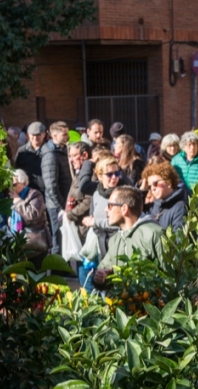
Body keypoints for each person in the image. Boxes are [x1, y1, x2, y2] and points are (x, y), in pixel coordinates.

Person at [92, 187, 164, 287]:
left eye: (110, 205)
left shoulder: (153, 233)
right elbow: (103, 271)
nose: (105, 210)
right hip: (123, 301)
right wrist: (100, 278)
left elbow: (171, 274)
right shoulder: (115, 240)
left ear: (124, 209)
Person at [65, 141, 97, 291]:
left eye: (73, 156)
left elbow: (88, 201)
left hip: (86, 229)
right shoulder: (79, 174)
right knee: (81, 273)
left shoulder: (92, 174)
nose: (71, 160)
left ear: (84, 155)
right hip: (78, 230)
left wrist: (71, 214)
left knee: (87, 274)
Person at [40, 121, 73, 255]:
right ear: (54, 135)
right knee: (57, 239)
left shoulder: (61, 150)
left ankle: (63, 267)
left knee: (63, 237)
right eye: (64, 135)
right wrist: (61, 207)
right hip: (56, 206)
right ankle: (56, 270)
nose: (68, 137)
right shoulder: (50, 155)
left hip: (63, 202)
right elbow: (51, 185)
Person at [8, 169, 50, 266]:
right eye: (9, 185)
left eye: (14, 185)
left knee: (36, 275)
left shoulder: (34, 194)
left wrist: (18, 202)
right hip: (20, 245)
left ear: (24, 183)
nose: (11, 188)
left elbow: (33, 214)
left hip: (35, 244)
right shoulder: (12, 197)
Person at [143, 162, 189, 231]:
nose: (153, 188)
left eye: (155, 183)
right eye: (149, 186)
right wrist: (142, 190)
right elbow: (134, 209)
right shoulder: (154, 205)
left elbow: (179, 239)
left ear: (168, 182)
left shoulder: (180, 207)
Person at [14, 121, 48, 194]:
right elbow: (16, 169)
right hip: (26, 191)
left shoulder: (49, 152)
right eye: (33, 135)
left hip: (45, 192)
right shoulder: (22, 151)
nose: (35, 137)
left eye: (38, 134)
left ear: (44, 134)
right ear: (28, 135)